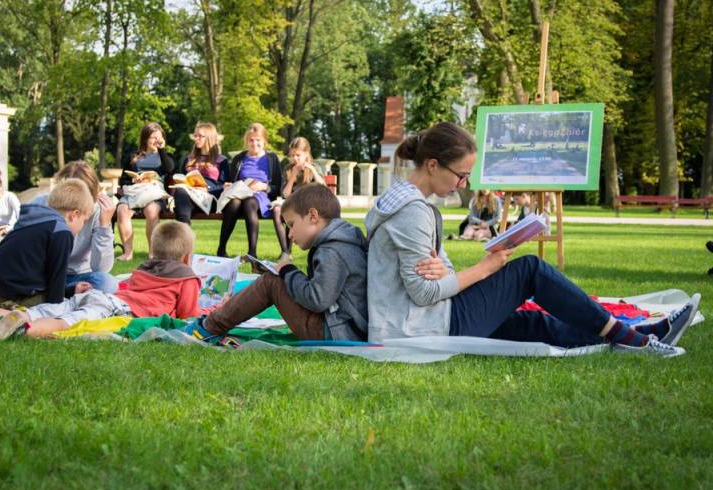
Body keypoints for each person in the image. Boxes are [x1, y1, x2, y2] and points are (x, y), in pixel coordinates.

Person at [363, 121, 700, 356]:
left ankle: (639, 337)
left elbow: (438, 278)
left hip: (426, 320)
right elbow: (423, 293)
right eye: (461, 175)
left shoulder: (404, 201)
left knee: (531, 324)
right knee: (529, 270)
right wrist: (486, 268)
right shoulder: (411, 211)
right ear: (433, 165)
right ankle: (634, 340)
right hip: (423, 328)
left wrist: (448, 272)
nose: (463, 184)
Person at [0, 221, 202, 339]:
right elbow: (189, 315)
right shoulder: (187, 279)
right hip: (116, 309)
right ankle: (20, 331)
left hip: (98, 296)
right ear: (187, 256)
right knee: (67, 323)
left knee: (34, 310)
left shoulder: (143, 268)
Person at [184, 184, 368, 343]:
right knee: (274, 279)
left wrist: (288, 271)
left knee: (271, 282)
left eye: (292, 224)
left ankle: (209, 327)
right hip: (339, 328)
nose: (290, 234)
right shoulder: (338, 244)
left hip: (336, 333)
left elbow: (317, 299)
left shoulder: (333, 251)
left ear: (313, 216)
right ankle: (214, 321)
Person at [0, 162, 117, 294]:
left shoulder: (98, 212)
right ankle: (58, 292)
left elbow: (101, 268)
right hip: (36, 274)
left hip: (75, 276)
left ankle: (48, 292)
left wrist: (104, 226)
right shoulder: (40, 203)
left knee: (106, 283)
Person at [216, 123, 282, 258]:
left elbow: (277, 186)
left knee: (249, 202)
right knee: (233, 202)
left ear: (264, 141)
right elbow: (231, 181)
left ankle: (252, 253)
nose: (254, 143)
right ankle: (221, 249)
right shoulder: (239, 158)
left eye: (258, 140)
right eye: (251, 140)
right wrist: (228, 185)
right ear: (246, 141)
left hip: (260, 197)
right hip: (240, 194)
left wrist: (265, 187)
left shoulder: (271, 158)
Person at [116, 122, 175, 261]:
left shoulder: (164, 156)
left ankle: (152, 253)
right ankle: (128, 253)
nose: (156, 141)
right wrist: (134, 180)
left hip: (154, 191)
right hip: (135, 190)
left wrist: (162, 150)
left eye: (159, 137)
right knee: (122, 210)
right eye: (153, 137)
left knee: (152, 211)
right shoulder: (133, 156)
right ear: (145, 138)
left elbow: (169, 169)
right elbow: (123, 179)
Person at [271, 137, 325, 261]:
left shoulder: (315, 167)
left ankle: (291, 252)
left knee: (293, 212)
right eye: (292, 155)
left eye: (298, 155)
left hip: (310, 206)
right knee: (277, 210)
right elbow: (285, 194)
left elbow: (322, 188)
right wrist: (293, 176)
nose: (294, 158)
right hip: (292, 204)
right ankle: (286, 251)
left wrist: (312, 170)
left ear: (306, 154)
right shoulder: (288, 168)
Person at [172, 122, 229, 224]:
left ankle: (184, 228)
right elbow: (183, 178)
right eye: (195, 136)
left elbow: (224, 185)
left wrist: (207, 189)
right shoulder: (189, 159)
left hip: (208, 198)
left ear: (209, 138)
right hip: (189, 196)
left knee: (182, 205)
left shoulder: (221, 160)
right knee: (181, 192)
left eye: (200, 136)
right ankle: (185, 227)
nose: (196, 139)